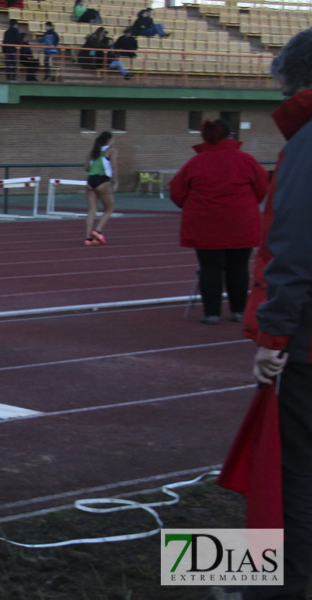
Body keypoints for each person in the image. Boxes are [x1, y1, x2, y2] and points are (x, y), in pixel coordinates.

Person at [244, 27, 312, 600]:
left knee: (291, 472)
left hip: (308, 343)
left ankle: (278, 586)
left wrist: (274, 335)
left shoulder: (307, 143)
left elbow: (293, 243)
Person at [169, 119, 268, 325]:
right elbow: (262, 187)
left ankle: (212, 312)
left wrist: (192, 206)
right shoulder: (246, 160)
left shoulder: (196, 162)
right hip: (241, 222)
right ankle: (238, 310)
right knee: (239, 267)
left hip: (204, 223)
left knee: (209, 267)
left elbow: (177, 191)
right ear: (230, 136)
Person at [83, 131, 116, 245]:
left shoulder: (93, 151)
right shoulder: (111, 150)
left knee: (92, 210)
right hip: (102, 181)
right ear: (109, 140)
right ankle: (98, 231)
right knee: (109, 208)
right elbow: (114, 167)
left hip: (90, 181)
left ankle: (88, 238)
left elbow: (86, 167)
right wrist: (116, 183)